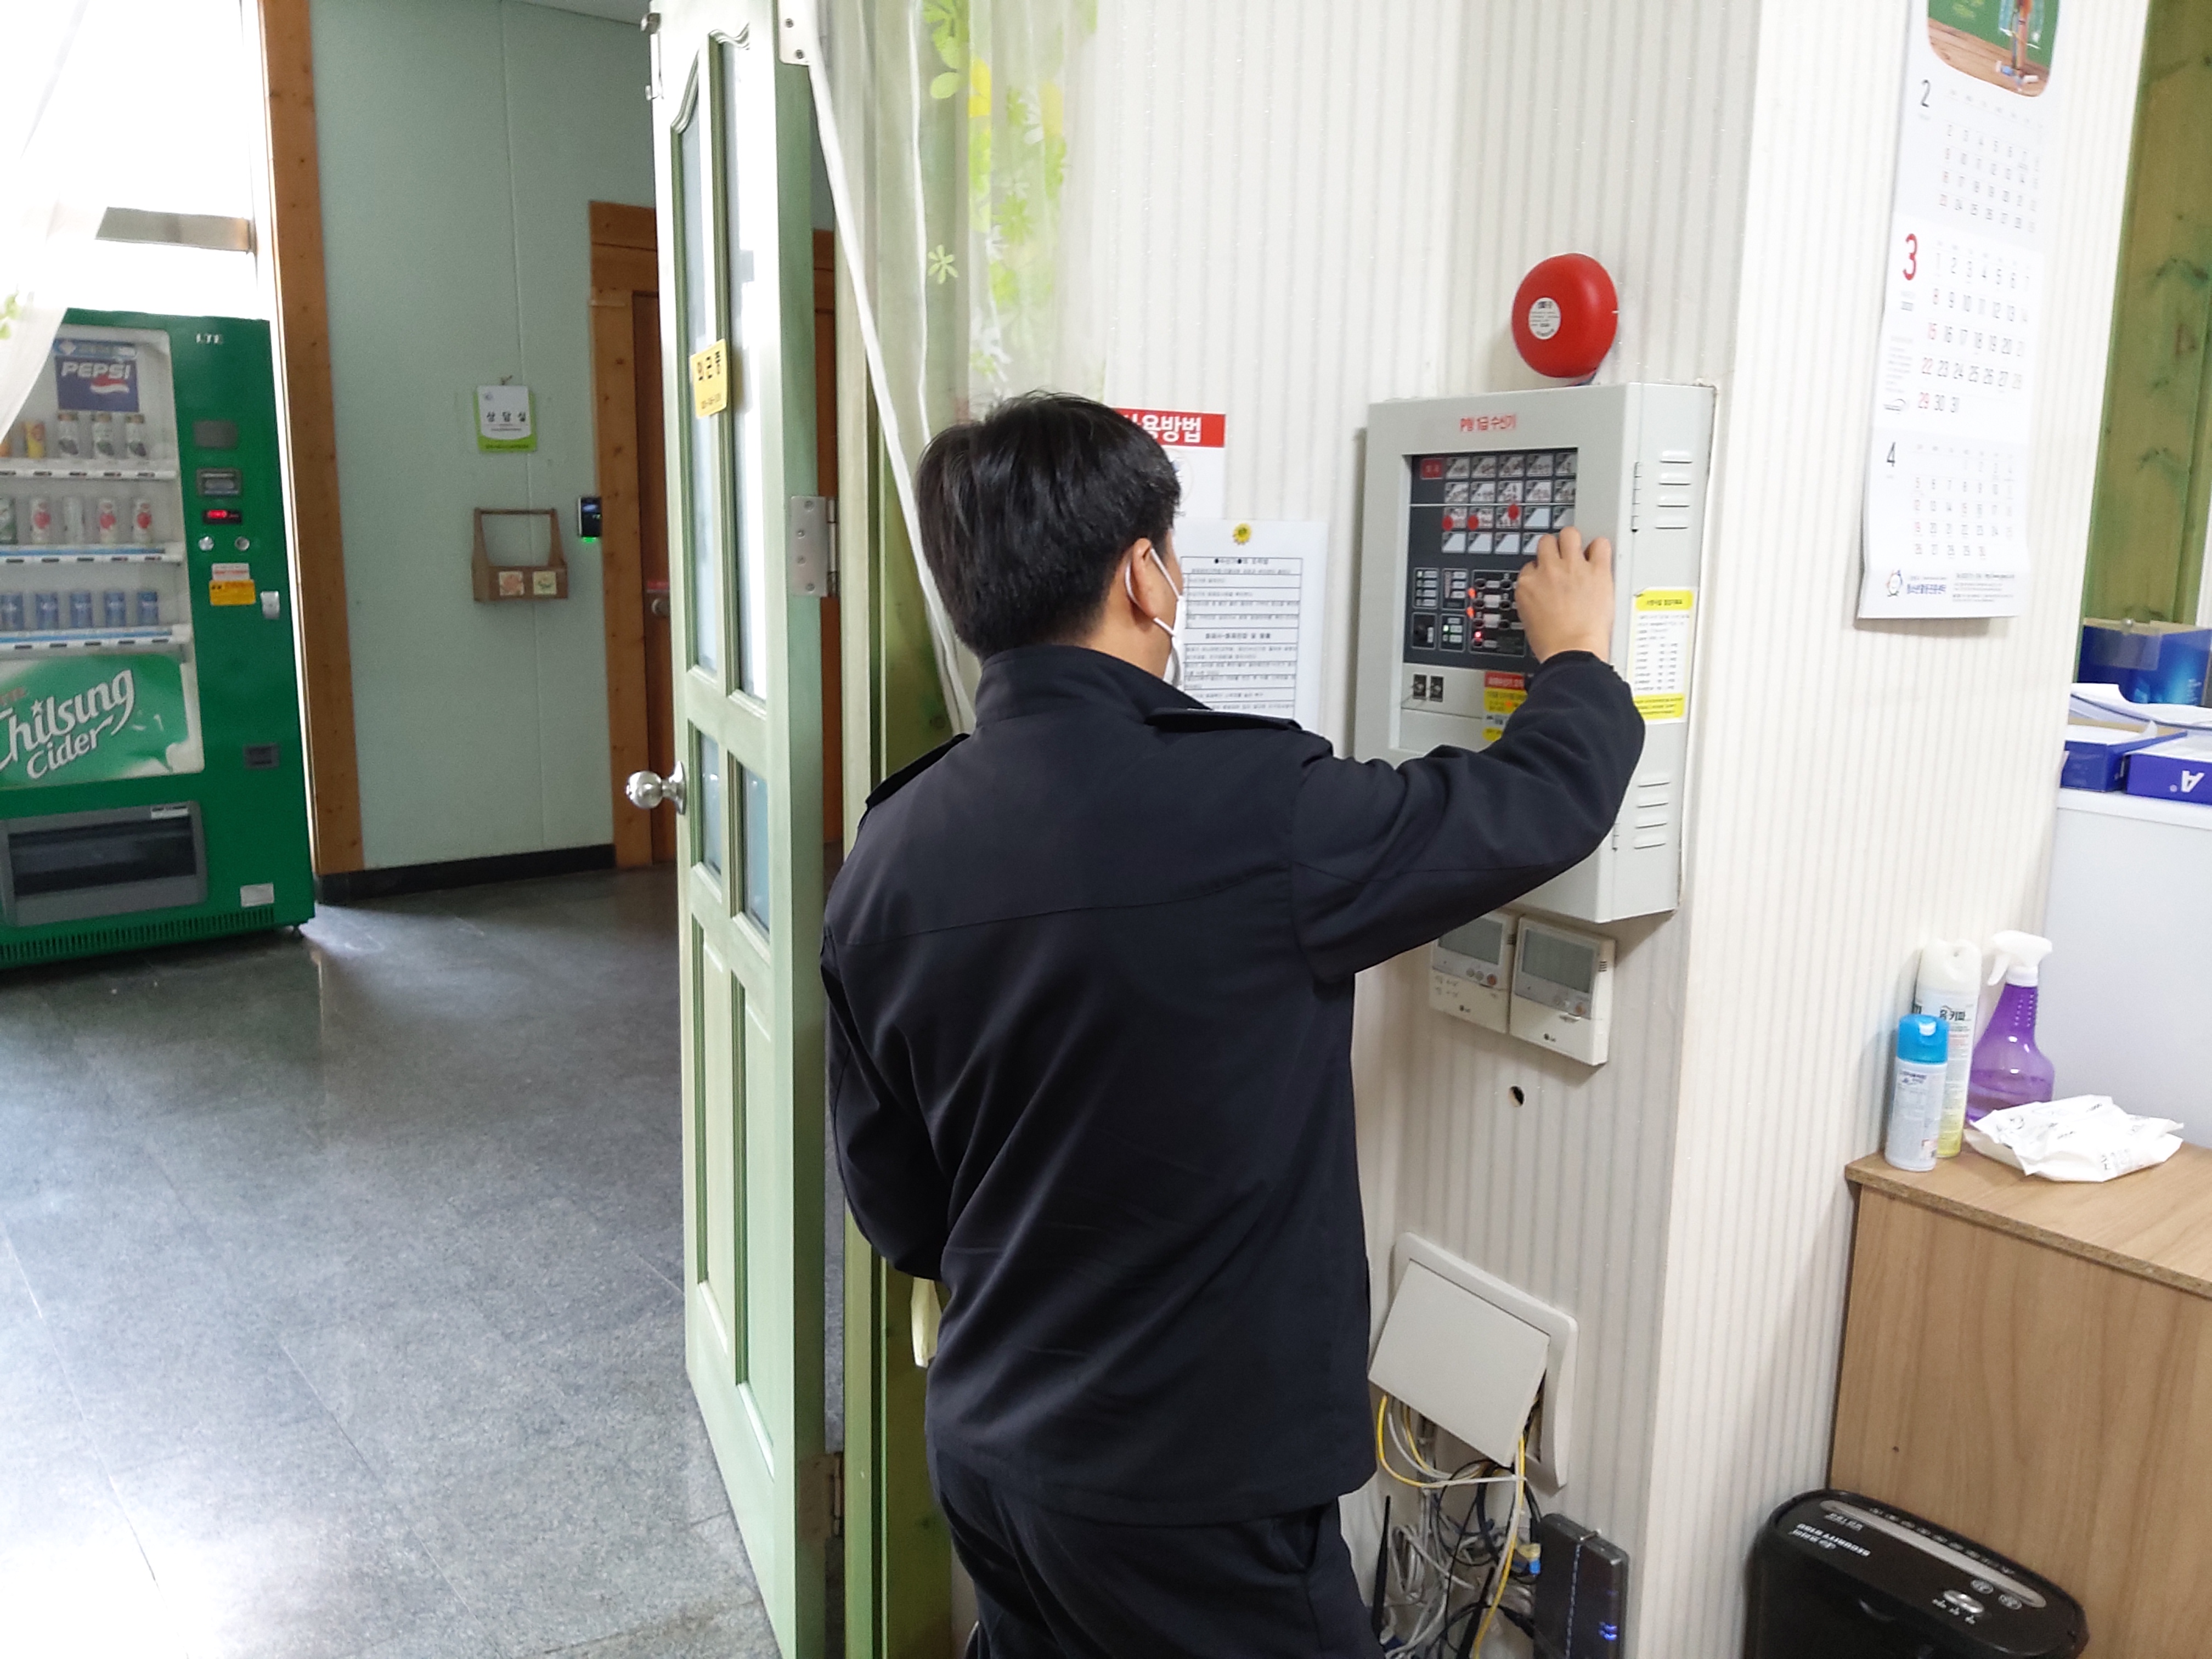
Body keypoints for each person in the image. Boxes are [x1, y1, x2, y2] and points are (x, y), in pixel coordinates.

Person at [824, 394, 1643, 1657]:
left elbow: (899, 1212)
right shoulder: (1256, 804)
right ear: (1143, 576)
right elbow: (1537, 804)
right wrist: (1577, 656)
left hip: (994, 1456)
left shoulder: (889, 850)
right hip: (1196, 1494)